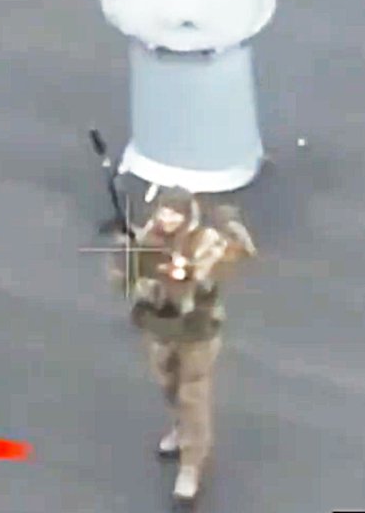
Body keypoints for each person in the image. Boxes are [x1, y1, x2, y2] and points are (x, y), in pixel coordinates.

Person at [109, 187, 257, 505]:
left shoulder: (204, 242)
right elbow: (125, 281)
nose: (167, 218)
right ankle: (180, 428)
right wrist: (129, 262)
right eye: (163, 211)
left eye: (175, 213)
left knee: (193, 397)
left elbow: (213, 270)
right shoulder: (146, 239)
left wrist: (183, 273)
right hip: (160, 331)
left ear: (187, 216)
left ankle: (191, 466)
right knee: (169, 386)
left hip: (195, 334)